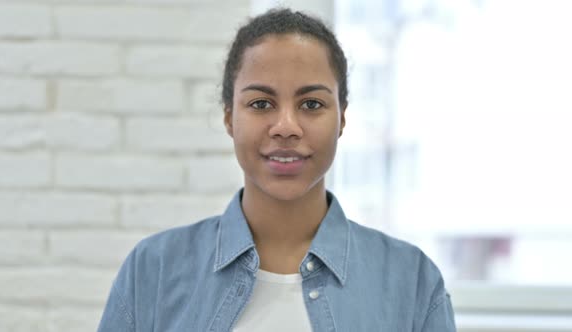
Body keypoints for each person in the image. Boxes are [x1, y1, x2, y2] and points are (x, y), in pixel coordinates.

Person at [97, 8, 456, 332]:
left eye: (311, 103)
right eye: (261, 103)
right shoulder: (154, 269)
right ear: (229, 118)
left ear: (342, 118)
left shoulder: (412, 282)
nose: (286, 126)